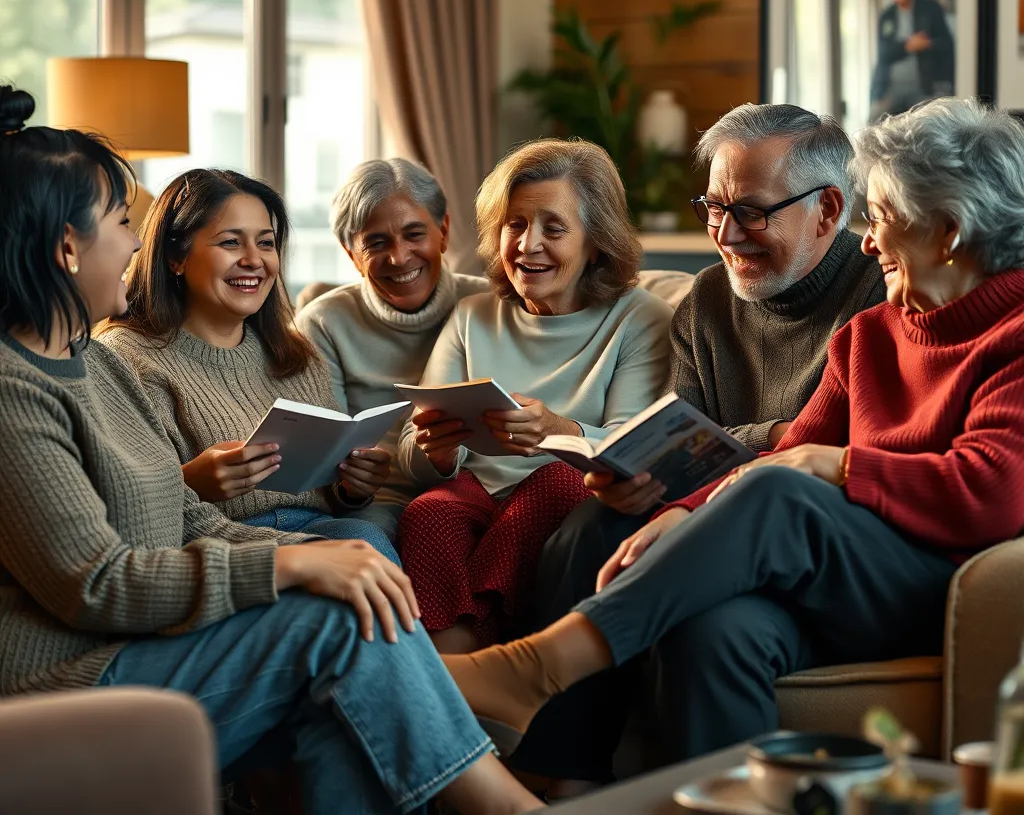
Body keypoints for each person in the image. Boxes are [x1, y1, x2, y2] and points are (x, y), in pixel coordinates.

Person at [440, 96, 1024, 779]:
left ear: (948, 230)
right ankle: (614, 787)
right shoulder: (871, 336)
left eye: (885, 218)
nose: (869, 241)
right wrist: (685, 513)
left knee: (782, 487)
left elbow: (992, 491)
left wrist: (837, 466)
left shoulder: (1012, 334)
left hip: (942, 589)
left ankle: (538, 667)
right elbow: (785, 449)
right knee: (715, 630)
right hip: (832, 581)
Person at [0, 87, 542, 815]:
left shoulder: (88, 362)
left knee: (347, 608)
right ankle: (506, 804)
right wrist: (287, 562)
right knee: (337, 620)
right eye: (123, 223)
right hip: (73, 674)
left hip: (147, 638)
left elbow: (182, 516)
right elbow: (95, 583)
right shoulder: (18, 389)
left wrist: (324, 554)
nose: (134, 244)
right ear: (68, 247)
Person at [511, 103, 885, 795]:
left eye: (750, 212)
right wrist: (639, 477)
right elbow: (685, 435)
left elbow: (838, 450)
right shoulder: (708, 301)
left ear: (828, 210)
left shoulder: (882, 293)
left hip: (811, 540)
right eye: (713, 207)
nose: (725, 234)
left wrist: (756, 445)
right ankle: (556, 782)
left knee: (711, 618)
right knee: (590, 524)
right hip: (708, 509)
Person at [396, 138, 673, 656]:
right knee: (429, 512)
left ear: (596, 242)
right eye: (515, 224)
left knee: (558, 484)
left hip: (568, 498)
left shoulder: (641, 319)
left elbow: (635, 447)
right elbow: (411, 453)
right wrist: (438, 452)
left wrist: (558, 431)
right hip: (476, 491)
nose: (528, 245)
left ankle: (464, 660)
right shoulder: (472, 315)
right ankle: (469, 669)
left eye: (554, 228)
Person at [100, 169, 397, 562]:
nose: (254, 260)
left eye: (266, 243)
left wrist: (353, 487)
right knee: (364, 546)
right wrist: (189, 483)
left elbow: (331, 494)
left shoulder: (296, 354)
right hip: (217, 541)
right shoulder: (125, 357)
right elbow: (120, 503)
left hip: (318, 526)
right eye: (230, 242)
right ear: (176, 257)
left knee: (369, 533)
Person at [296, 158, 488, 542]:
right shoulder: (322, 324)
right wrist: (352, 486)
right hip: (380, 502)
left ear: (444, 232)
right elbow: (323, 464)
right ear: (351, 254)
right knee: (362, 539)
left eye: (414, 234)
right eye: (376, 243)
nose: (399, 257)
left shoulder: (489, 305)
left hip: (480, 490)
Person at [871, 0, 955, 116]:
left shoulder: (931, 9)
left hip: (924, 90)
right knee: (875, 120)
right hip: (891, 89)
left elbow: (947, 44)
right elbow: (884, 53)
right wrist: (908, 46)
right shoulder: (886, 16)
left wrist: (927, 44)